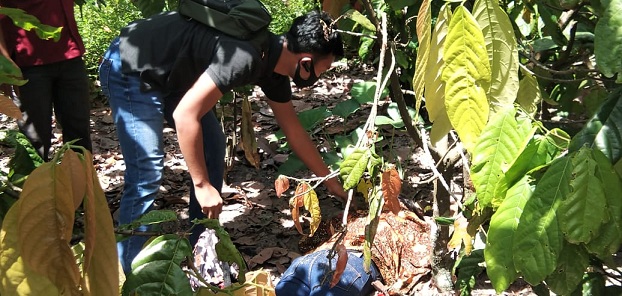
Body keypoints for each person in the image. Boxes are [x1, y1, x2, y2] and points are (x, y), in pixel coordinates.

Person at [98, 9, 348, 274]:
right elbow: (185, 115)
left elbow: (294, 130)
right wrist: (202, 185)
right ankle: (134, 276)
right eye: (326, 67)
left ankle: (201, 251)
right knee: (146, 171)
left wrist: (331, 181)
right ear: (306, 62)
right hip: (132, 66)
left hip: (173, 76)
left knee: (212, 147)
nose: (325, 73)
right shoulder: (245, 57)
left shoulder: (272, 62)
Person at [0, 0, 92, 161]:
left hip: (71, 57)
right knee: (35, 138)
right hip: (28, 64)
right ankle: (34, 184)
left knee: (79, 131)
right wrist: (5, 61)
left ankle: (81, 183)